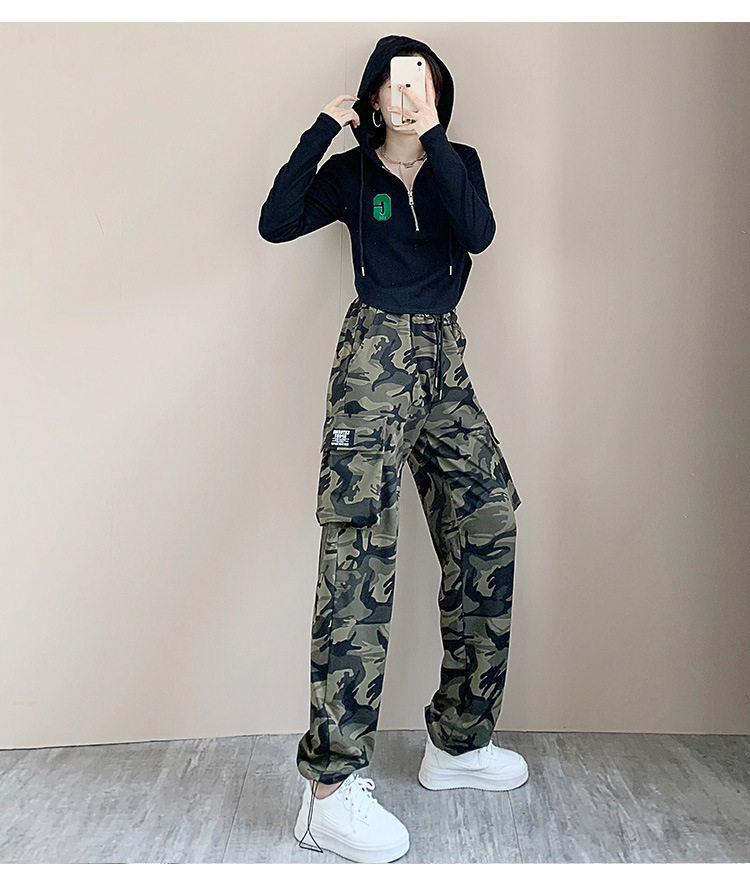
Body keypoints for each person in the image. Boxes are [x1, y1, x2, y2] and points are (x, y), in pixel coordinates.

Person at [259, 33, 527, 864]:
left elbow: (478, 233)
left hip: (444, 357)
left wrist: (435, 138)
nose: (408, 94)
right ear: (374, 94)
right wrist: (321, 130)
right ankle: (328, 792)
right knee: (359, 555)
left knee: (488, 523)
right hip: (373, 361)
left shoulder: (458, 162)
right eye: (396, 83)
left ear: (436, 94)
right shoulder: (353, 174)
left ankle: (458, 740)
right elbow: (275, 221)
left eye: (423, 82)